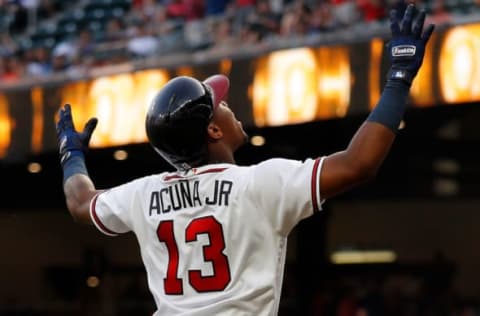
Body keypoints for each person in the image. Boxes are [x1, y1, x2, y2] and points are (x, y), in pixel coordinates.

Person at [56, 4, 434, 315]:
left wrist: (72, 155)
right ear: (213, 131)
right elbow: (358, 163)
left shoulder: (143, 194)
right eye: (219, 105)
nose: (228, 106)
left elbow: (79, 203)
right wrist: (398, 79)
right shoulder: (259, 183)